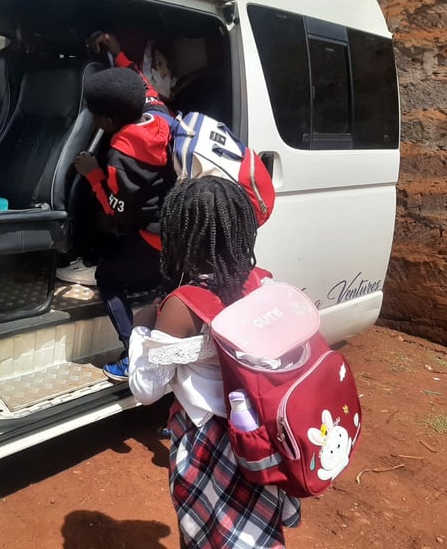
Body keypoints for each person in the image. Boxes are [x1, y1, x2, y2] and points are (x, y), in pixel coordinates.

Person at [127, 176, 301, 548]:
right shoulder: (263, 284)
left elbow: (146, 389)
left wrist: (141, 329)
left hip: (211, 443)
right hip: (262, 438)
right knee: (254, 533)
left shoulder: (182, 306)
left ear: (178, 237)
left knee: (208, 534)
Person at [68, 65, 176, 381]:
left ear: (110, 122)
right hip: (178, 230)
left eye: (95, 117)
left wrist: (93, 174)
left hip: (155, 238)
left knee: (107, 276)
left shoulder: (122, 158)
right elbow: (142, 82)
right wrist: (117, 52)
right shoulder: (158, 112)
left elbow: (118, 212)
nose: (94, 122)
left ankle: (132, 354)